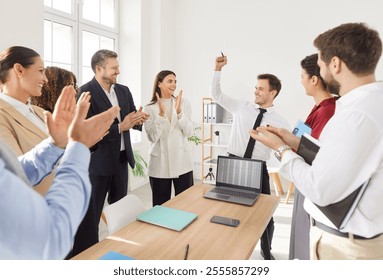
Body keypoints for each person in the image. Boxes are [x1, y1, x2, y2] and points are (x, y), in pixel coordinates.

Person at [250, 22, 383, 260]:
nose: (319, 73)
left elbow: (319, 188)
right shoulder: (368, 104)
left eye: (320, 65)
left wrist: (281, 149)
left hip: (345, 245)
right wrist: (295, 141)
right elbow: (337, 158)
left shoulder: (354, 115)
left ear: (336, 64)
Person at [0, 85, 120, 259]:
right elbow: (50, 238)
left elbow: (16, 173)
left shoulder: (36, 111)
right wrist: (77, 146)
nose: (46, 79)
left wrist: (56, 144)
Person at [67, 49, 148, 257]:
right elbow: (85, 130)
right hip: (97, 163)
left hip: (121, 160)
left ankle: (122, 248)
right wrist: (120, 127)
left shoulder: (123, 90)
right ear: (98, 68)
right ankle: (88, 256)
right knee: (91, 216)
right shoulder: (84, 93)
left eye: (117, 67)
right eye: (114, 67)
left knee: (121, 210)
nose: (118, 71)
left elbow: (130, 118)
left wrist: (138, 120)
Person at [211, 55, 290, 260]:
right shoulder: (242, 106)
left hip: (257, 168)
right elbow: (216, 95)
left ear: (273, 92)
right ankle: (227, 249)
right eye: (256, 87)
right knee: (228, 210)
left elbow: (282, 149)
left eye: (261, 89)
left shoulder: (279, 122)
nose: (256, 91)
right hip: (232, 165)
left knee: (265, 214)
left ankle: (266, 250)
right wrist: (217, 69)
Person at [288, 54, 337, 260]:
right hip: (304, 178)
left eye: (302, 76)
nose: (301, 81)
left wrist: (284, 146)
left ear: (314, 79)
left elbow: (310, 152)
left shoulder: (327, 111)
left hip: (309, 181)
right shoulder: (320, 108)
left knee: (305, 243)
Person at [0, 46, 52, 194]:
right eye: (41, 71)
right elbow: (18, 174)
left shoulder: (40, 112)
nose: (45, 79)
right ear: (19, 70)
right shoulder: (2, 115)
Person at [143, 70, 194, 206]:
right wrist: (160, 115)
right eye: (170, 81)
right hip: (160, 164)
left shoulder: (184, 103)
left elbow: (189, 132)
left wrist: (179, 113)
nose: (174, 85)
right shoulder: (149, 108)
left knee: (185, 205)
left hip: (182, 162)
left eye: (175, 81)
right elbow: (153, 137)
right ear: (159, 83)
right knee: (160, 207)